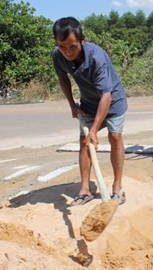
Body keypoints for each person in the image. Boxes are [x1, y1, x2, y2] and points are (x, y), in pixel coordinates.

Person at [52, 17, 127, 206]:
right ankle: (85, 190)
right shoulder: (58, 55)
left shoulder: (96, 57)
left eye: (73, 47)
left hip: (113, 100)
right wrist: (72, 105)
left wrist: (94, 129)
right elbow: (63, 79)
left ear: (82, 40)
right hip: (88, 103)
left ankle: (117, 187)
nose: (68, 52)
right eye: (62, 46)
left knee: (115, 136)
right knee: (84, 143)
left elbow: (106, 96)